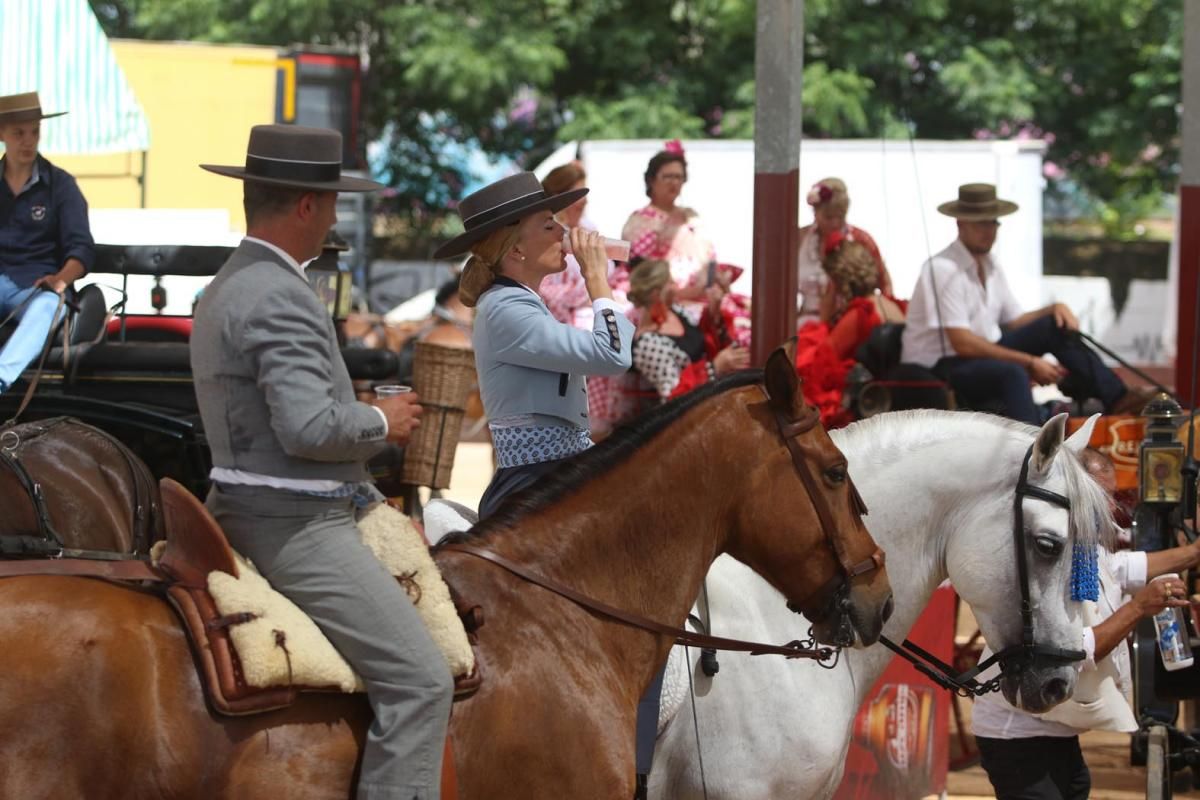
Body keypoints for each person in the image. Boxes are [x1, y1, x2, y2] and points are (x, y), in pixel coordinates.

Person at [192, 124, 453, 800]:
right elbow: (308, 428)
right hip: (296, 524)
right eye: (333, 202)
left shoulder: (232, 281)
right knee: (421, 682)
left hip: (247, 505)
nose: (335, 215)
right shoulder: (278, 292)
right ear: (307, 206)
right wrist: (380, 421)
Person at [972, 448, 1200, 800]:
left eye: (1110, 495)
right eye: (1100, 495)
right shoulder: (1048, 559)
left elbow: (1126, 566)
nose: (1110, 507)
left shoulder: (1084, 551)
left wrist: (1195, 552)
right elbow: (1069, 649)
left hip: (1058, 727)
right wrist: (1138, 607)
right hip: (1017, 732)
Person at [432, 171, 635, 520]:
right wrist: (597, 278)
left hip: (555, 475)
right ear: (515, 249)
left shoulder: (517, 302)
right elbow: (612, 354)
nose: (563, 232)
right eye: (548, 225)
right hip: (534, 488)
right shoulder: (506, 309)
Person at [900, 183, 1155, 424]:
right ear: (960, 224)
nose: (989, 230)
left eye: (993, 222)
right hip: (941, 366)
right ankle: (1033, 450)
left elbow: (1014, 320)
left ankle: (1118, 397)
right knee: (1013, 372)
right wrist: (1029, 362)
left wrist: (1054, 308)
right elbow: (962, 343)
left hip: (977, 353)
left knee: (1051, 326)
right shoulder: (942, 268)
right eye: (980, 224)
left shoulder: (990, 264)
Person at [0, 91, 93, 394]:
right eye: (19, 133)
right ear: (2, 134)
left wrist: (60, 281)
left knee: (48, 306)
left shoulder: (61, 185)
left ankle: (0, 378)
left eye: (34, 132)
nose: (28, 141)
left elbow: (81, 249)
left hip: (37, 285)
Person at [538, 161, 638, 437]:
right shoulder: (546, 234)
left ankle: (608, 422)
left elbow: (613, 274)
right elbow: (545, 289)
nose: (583, 201)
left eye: (584, 193)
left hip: (598, 308)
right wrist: (588, 292)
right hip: (566, 320)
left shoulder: (589, 228)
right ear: (560, 196)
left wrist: (614, 291)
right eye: (575, 194)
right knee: (599, 336)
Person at [620, 141, 751, 346]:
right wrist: (681, 293)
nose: (674, 183)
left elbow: (709, 256)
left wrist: (716, 278)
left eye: (679, 177)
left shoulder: (690, 216)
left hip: (704, 295)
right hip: (665, 302)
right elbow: (640, 274)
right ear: (651, 180)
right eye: (667, 177)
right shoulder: (640, 221)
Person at [795, 232, 906, 426]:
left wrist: (823, 318)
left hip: (866, 409)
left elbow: (822, 364)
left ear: (839, 282)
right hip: (890, 399)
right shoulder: (892, 306)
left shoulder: (860, 314)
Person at [628, 259, 749, 403]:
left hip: (712, 394)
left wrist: (713, 311)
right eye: (671, 282)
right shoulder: (647, 344)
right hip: (695, 414)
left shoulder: (674, 311)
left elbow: (702, 340)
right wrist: (714, 367)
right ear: (656, 293)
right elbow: (673, 396)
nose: (676, 287)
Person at [796, 177, 894, 326]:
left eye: (840, 217)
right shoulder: (800, 239)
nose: (835, 223)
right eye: (828, 217)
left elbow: (884, 283)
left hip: (851, 324)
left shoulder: (862, 240)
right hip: (806, 322)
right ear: (815, 212)